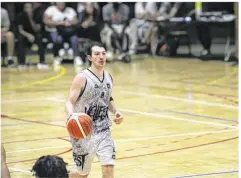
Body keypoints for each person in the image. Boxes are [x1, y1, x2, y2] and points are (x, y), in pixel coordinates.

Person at [66, 42, 124, 178]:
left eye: (103, 53)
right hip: (83, 132)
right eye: (97, 54)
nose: (101, 57)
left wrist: (116, 111)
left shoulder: (109, 77)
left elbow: (107, 99)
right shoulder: (82, 78)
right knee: (82, 174)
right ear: (90, 57)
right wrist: (72, 117)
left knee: (109, 167)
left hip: (104, 130)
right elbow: (69, 102)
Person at [16, 3, 48, 69]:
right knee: (20, 40)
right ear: (24, 9)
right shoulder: (20, 16)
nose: (28, 9)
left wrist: (30, 18)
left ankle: (42, 61)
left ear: (32, 8)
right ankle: (22, 63)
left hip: (35, 34)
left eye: (30, 7)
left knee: (39, 39)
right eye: (27, 8)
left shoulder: (37, 15)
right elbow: (20, 30)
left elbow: (37, 29)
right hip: (24, 34)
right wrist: (28, 35)